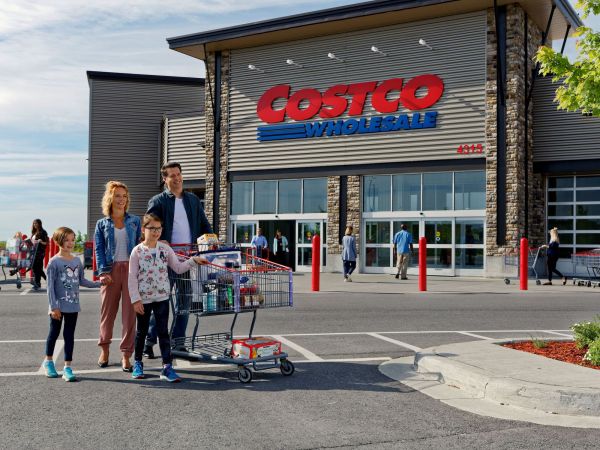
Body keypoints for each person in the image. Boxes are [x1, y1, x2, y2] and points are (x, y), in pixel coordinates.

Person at [144, 162, 213, 358]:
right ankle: (149, 341)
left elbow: (204, 225)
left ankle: (178, 343)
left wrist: (212, 241)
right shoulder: (158, 201)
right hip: (165, 260)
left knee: (184, 303)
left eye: (178, 174)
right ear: (165, 179)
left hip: (187, 261)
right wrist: (159, 238)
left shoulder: (192, 200)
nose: (176, 178)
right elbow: (148, 226)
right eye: (171, 175)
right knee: (161, 303)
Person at [128, 214, 208, 382]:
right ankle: (137, 363)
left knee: (163, 332)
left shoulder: (165, 249)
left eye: (159, 229)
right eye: (152, 229)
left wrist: (193, 261)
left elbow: (178, 268)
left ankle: (167, 367)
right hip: (143, 300)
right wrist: (135, 299)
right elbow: (132, 277)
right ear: (144, 230)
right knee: (141, 332)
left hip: (162, 298)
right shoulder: (137, 251)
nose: (156, 232)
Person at [43, 227, 103, 381]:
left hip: (73, 305)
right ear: (58, 242)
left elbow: (82, 280)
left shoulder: (77, 260)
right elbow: (50, 288)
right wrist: (54, 306)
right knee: (54, 333)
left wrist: (100, 284)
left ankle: (67, 367)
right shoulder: (54, 262)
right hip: (57, 306)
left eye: (72, 239)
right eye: (66, 240)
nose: (70, 243)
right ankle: (49, 362)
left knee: (69, 336)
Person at [94, 181, 141, 371]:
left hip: (131, 271)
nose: (121, 199)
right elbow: (98, 249)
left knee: (130, 316)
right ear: (110, 198)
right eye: (118, 196)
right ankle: (104, 349)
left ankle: (126, 355)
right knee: (107, 314)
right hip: (110, 271)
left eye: (124, 196)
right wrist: (103, 272)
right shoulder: (101, 224)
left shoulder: (135, 221)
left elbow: (141, 244)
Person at [29, 219, 49, 290]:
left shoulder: (43, 232)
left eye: (36, 223)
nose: (35, 225)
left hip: (40, 252)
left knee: (36, 267)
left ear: (39, 224)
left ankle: (38, 283)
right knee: (36, 268)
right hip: (33, 252)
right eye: (34, 223)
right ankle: (43, 281)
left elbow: (46, 243)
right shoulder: (33, 233)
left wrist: (40, 241)